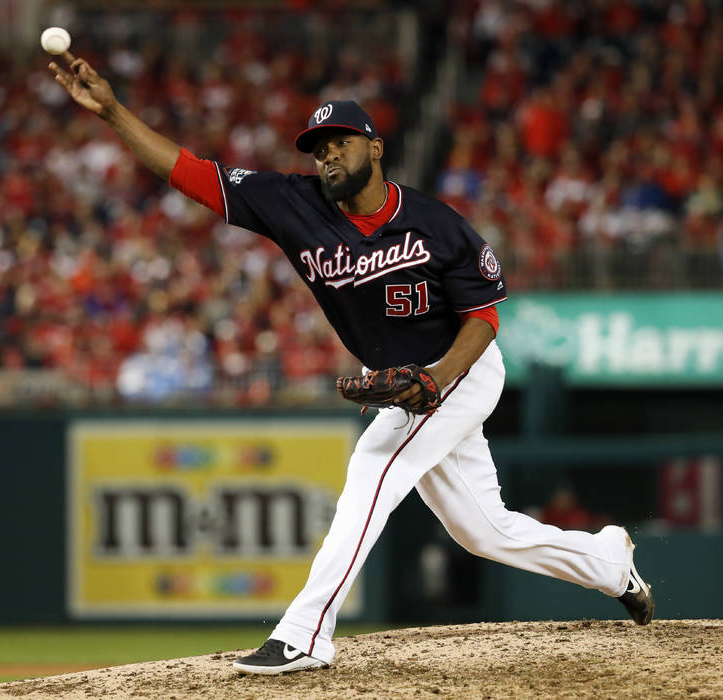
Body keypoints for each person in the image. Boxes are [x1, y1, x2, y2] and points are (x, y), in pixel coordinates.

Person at [48, 52, 655, 675]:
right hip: (406, 388)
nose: (327, 156)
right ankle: (609, 563)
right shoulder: (294, 204)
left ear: (375, 147)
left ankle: (306, 633)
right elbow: (192, 175)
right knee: (484, 532)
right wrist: (114, 112)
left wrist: (437, 378)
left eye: (340, 142)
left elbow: (485, 318)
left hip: (459, 371)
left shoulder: (436, 224)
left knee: (373, 462)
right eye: (319, 148)